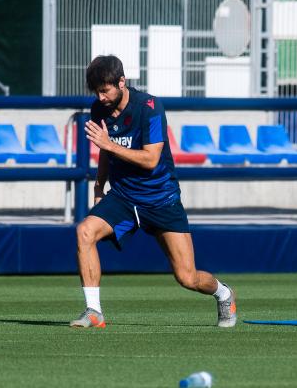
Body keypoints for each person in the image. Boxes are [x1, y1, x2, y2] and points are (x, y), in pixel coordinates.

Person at [70, 55, 236, 329]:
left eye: (105, 90)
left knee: (187, 277)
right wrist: (99, 187)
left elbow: (150, 160)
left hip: (161, 200)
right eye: (96, 91)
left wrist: (108, 145)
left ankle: (224, 293)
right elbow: (104, 152)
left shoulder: (150, 108)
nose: (100, 97)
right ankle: (93, 311)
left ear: (122, 82)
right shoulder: (100, 109)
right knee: (84, 231)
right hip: (124, 198)